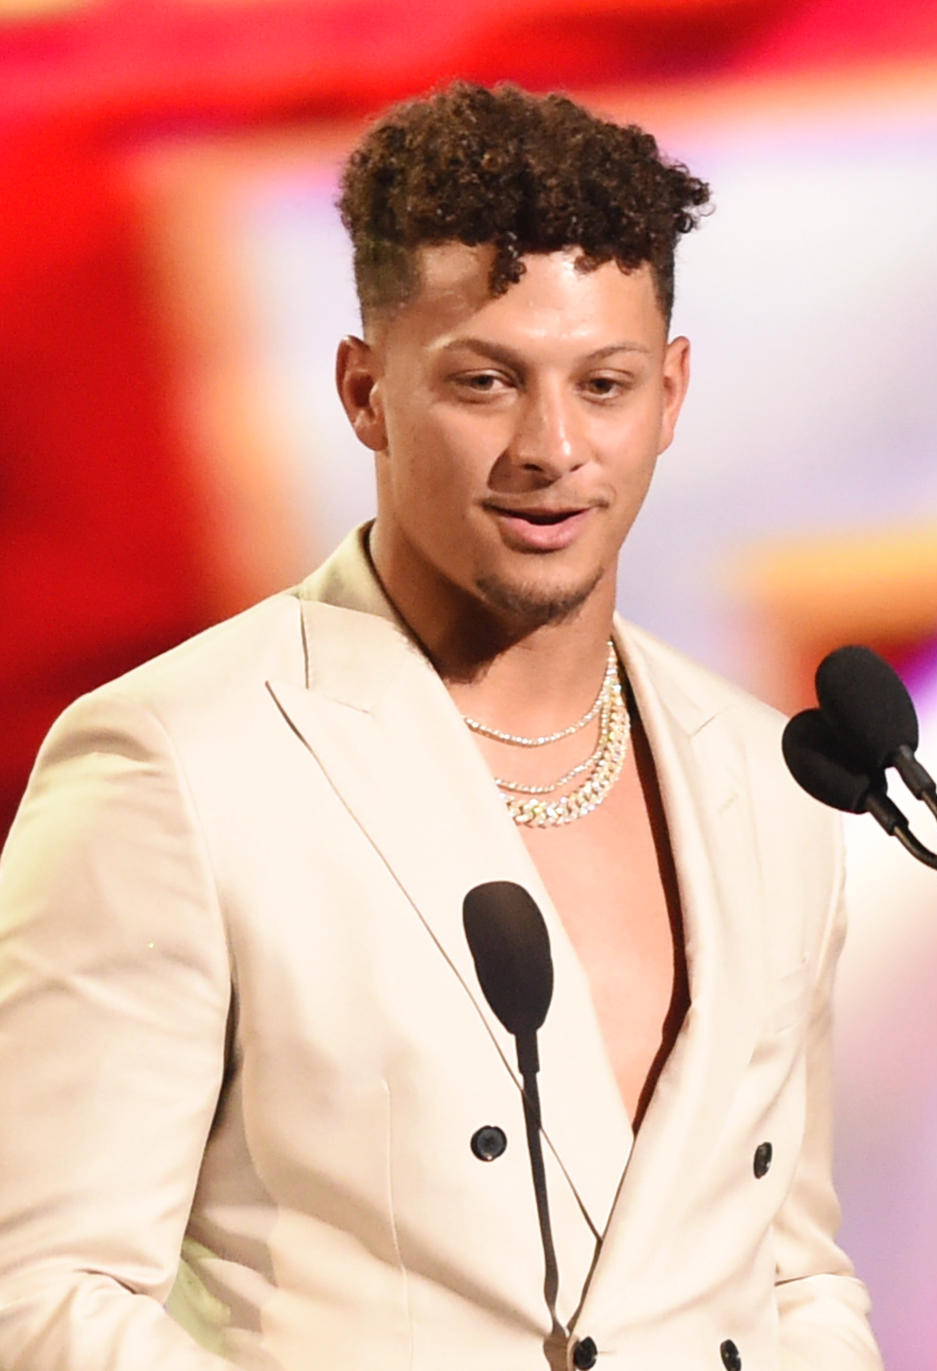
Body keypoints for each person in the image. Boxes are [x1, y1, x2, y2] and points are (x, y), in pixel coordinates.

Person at [0, 82, 883, 1371]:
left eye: (605, 382)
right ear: (365, 393)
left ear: (673, 394)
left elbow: (791, 1266)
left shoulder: (768, 776)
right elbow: (44, 1290)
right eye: (486, 381)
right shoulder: (173, 763)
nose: (553, 446)